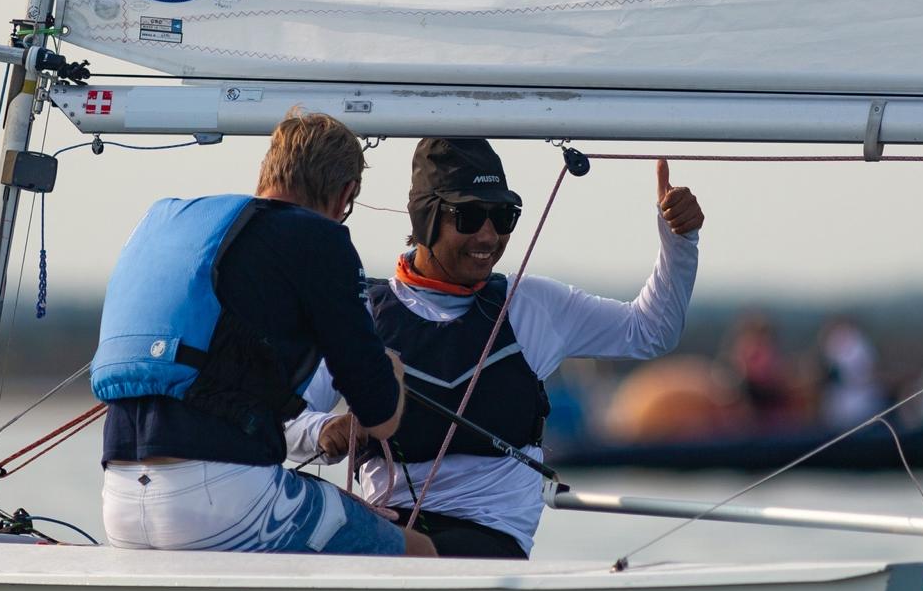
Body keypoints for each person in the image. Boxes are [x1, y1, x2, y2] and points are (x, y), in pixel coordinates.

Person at [286, 137, 703, 559]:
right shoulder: (361, 312)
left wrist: (680, 241)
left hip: (488, 537)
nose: (488, 235)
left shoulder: (531, 306)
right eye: (468, 217)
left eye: (503, 216)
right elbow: (284, 423)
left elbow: (650, 330)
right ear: (426, 218)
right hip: (386, 524)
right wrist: (326, 430)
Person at [93, 110, 435, 557]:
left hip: (118, 500)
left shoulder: (171, 224)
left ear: (266, 172)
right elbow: (381, 418)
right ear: (345, 194)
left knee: (330, 506)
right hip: (223, 502)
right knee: (419, 553)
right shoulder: (320, 240)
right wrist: (393, 375)